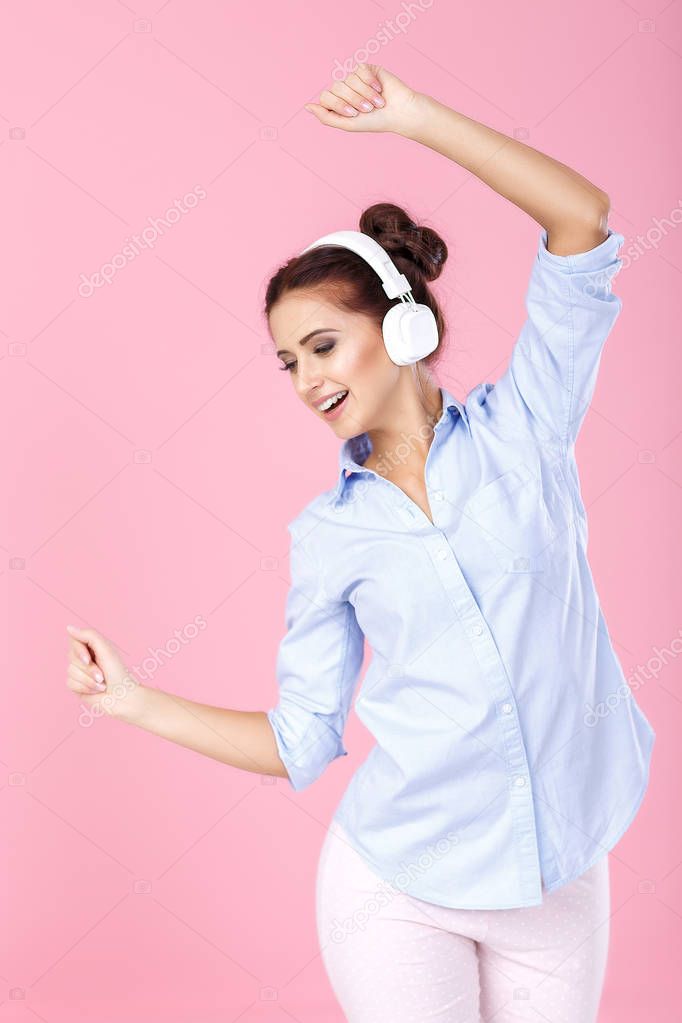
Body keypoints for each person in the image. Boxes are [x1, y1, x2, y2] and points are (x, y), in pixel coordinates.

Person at [65, 64, 656, 1023]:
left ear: (403, 326)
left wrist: (413, 117)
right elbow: (302, 739)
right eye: (288, 362)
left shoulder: (527, 428)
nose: (306, 380)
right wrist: (133, 700)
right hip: (398, 891)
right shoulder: (329, 536)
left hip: (558, 876)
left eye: (323, 345)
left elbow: (581, 217)